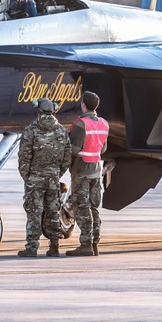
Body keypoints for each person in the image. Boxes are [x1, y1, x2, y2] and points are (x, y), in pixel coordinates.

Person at [17, 98, 71, 258]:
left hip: (35, 178)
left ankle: (32, 247)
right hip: (53, 178)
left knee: (34, 212)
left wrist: (27, 176)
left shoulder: (31, 130)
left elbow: (24, 157)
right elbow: (67, 156)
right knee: (52, 211)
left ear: (38, 111)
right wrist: (57, 173)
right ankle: (54, 247)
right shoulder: (61, 131)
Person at [66, 91, 109, 257]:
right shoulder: (104, 123)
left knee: (81, 207)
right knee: (93, 206)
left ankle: (85, 244)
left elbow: (74, 148)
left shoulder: (81, 124)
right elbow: (103, 148)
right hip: (96, 171)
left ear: (83, 104)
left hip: (81, 171)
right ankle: (95, 243)